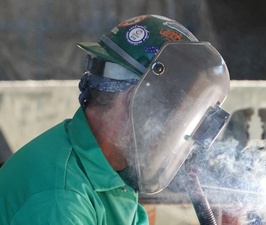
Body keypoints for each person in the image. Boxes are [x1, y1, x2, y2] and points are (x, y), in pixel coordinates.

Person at [0, 15, 230, 224]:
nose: (174, 132)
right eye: (173, 115)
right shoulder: (61, 198)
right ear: (139, 104)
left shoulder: (109, 171)